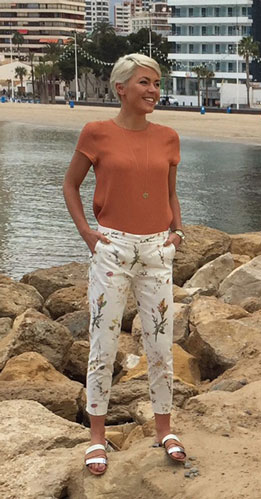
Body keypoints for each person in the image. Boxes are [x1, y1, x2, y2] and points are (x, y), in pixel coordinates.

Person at [62, 53, 187, 476]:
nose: (153, 90)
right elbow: (70, 185)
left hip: (157, 251)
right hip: (111, 249)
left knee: (160, 344)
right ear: (121, 88)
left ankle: (164, 429)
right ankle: (96, 438)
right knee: (104, 342)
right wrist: (87, 233)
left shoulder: (168, 137)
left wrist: (177, 233)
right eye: (144, 82)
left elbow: (170, 192)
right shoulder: (96, 133)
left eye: (156, 83)